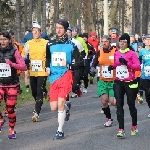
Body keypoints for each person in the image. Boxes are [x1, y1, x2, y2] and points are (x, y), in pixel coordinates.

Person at [46, 19, 81, 139]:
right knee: (53, 107)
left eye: (61, 28)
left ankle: (60, 131)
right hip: (53, 77)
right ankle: (67, 107)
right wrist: (47, 67)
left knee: (60, 104)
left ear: (66, 30)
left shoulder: (72, 45)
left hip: (66, 75)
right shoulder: (50, 44)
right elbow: (48, 59)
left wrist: (68, 65)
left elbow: (80, 63)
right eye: (57, 28)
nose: (58, 30)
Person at [108, 33, 141, 138]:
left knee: (131, 105)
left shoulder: (132, 54)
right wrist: (112, 67)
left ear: (127, 43)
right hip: (119, 82)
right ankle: (121, 129)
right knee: (119, 105)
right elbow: (116, 64)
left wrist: (127, 63)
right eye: (120, 42)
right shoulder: (116, 53)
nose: (121, 44)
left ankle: (134, 126)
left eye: (124, 42)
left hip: (130, 83)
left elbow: (138, 67)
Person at [0, 31, 27, 139]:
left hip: (12, 84)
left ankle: (11, 129)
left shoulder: (14, 51)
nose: (2, 42)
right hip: (0, 83)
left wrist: (12, 64)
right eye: (1, 39)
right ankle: (1, 118)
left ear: (9, 40)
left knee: (10, 108)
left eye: (5, 39)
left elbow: (24, 67)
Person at [22, 22, 48, 122]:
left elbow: (50, 55)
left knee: (39, 90)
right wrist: (25, 62)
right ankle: (44, 92)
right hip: (33, 71)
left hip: (43, 71)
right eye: (33, 31)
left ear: (40, 32)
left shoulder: (45, 43)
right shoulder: (29, 43)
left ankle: (36, 113)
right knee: (34, 92)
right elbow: (23, 55)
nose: (35, 32)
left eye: (36, 31)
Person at [90, 35, 117, 127]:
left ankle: (119, 107)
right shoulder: (99, 52)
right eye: (102, 41)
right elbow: (94, 62)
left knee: (113, 102)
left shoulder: (115, 51)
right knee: (104, 101)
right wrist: (92, 68)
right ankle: (109, 118)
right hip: (102, 80)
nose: (104, 43)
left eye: (106, 41)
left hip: (113, 81)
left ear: (110, 42)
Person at [139, 34, 150, 118]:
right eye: (147, 39)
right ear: (144, 41)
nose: (148, 41)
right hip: (145, 76)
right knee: (147, 94)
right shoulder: (142, 51)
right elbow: (139, 62)